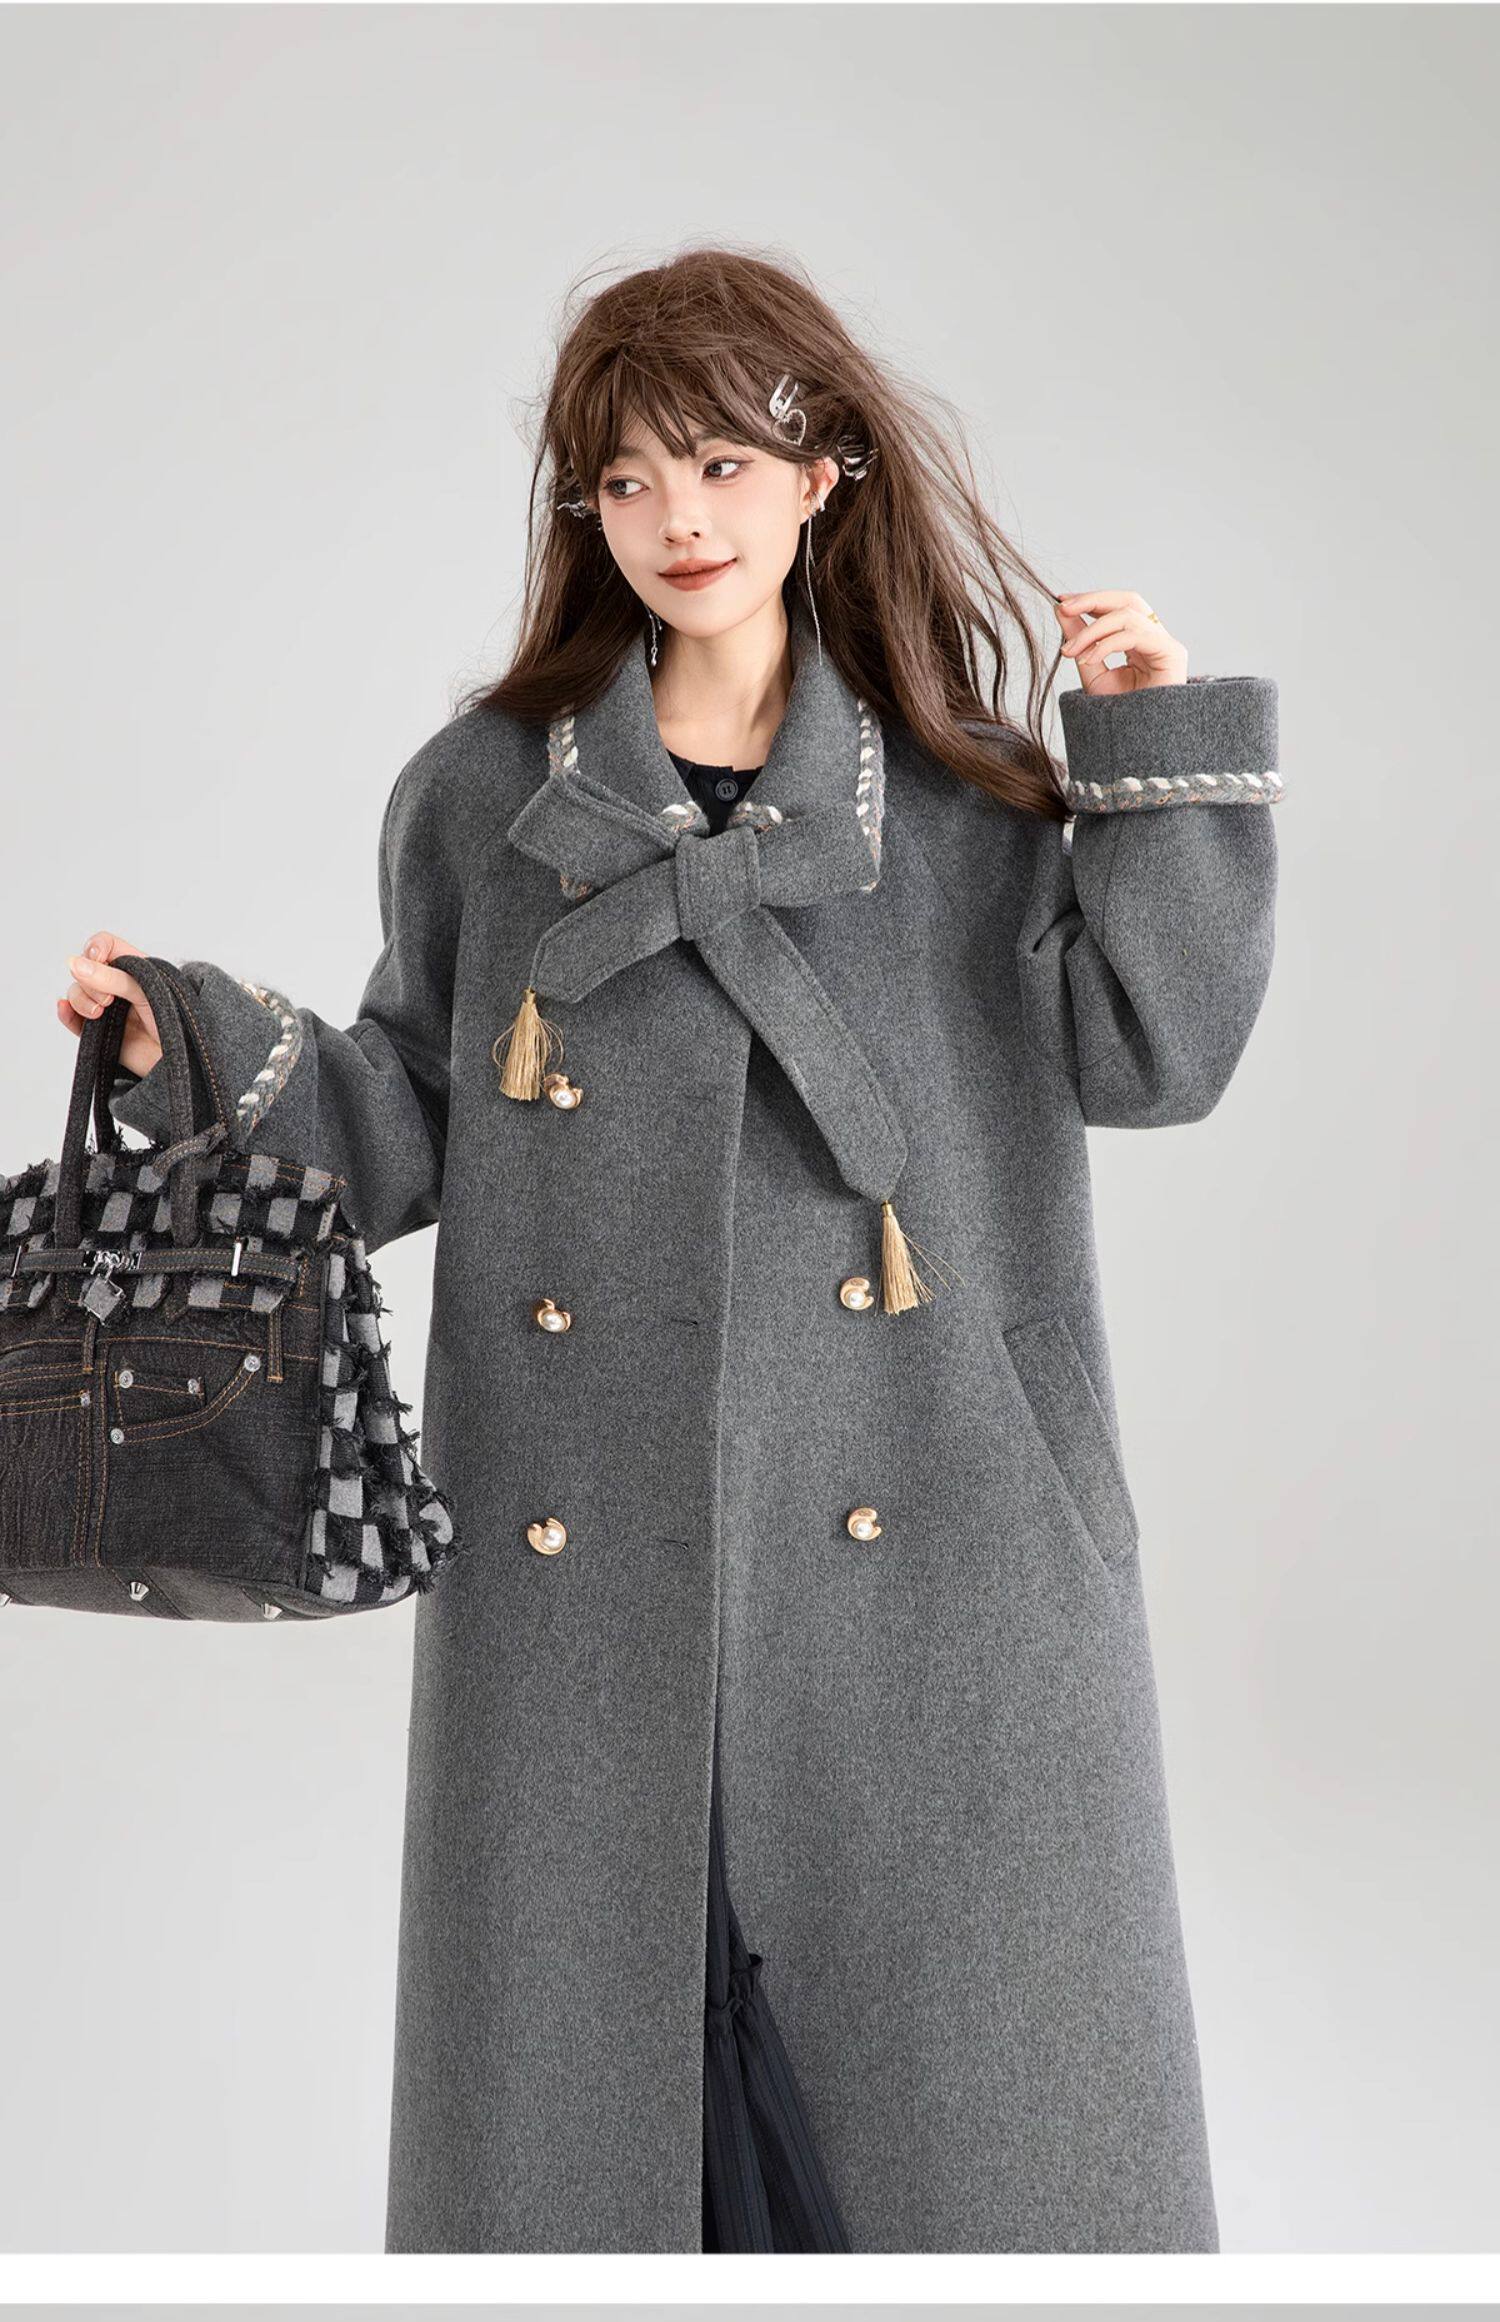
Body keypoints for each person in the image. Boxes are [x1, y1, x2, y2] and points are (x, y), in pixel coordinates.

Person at [62, 245, 1283, 2254]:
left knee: (965, 2137)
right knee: (603, 2116)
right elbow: (406, 1116)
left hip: (949, 1531)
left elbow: (1159, 1062)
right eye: (626, 479)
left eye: (719, 463)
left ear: (821, 475)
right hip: (587, 1534)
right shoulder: (492, 797)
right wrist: (187, 1046)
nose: (678, 518)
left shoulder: (966, 802)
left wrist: (1155, 769)